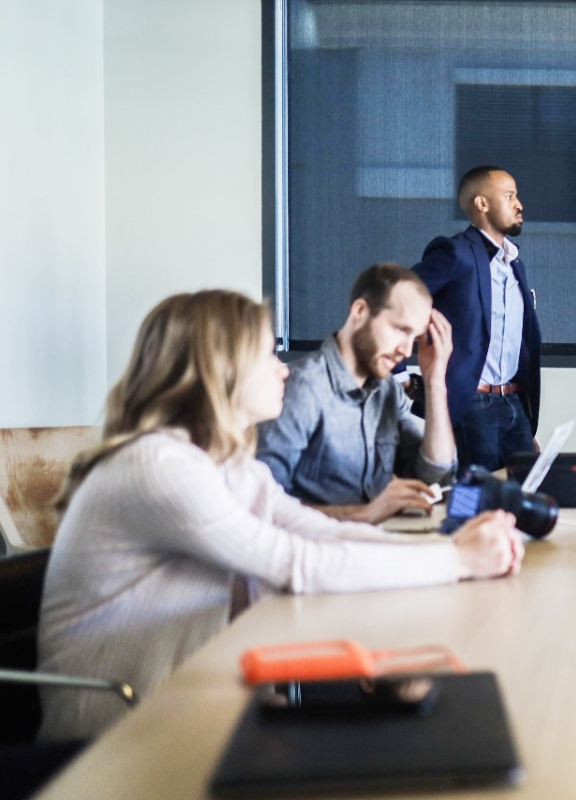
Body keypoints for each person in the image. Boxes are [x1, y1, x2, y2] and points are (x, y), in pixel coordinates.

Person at [37, 290, 523, 742]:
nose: (283, 370)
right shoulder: (158, 465)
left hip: (186, 704)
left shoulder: (226, 466)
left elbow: (322, 533)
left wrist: (450, 552)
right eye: (268, 355)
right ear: (221, 367)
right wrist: (456, 561)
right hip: (116, 738)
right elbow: (297, 564)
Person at [257, 263, 454, 523]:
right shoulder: (302, 388)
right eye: (400, 330)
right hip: (316, 545)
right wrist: (363, 514)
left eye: (415, 339)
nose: (407, 351)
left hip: (372, 539)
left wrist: (435, 382)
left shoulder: (388, 390)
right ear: (360, 311)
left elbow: (434, 476)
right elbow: (261, 505)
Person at [412, 166, 542, 475]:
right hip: (473, 404)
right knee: (473, 495)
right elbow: (393, 298)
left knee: (524, 492)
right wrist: (400, 376)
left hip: (514, 404)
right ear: (482, 203)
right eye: (509, 196)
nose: (519, 204)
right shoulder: (455, 253)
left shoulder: (514, 264)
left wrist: (522, 413)